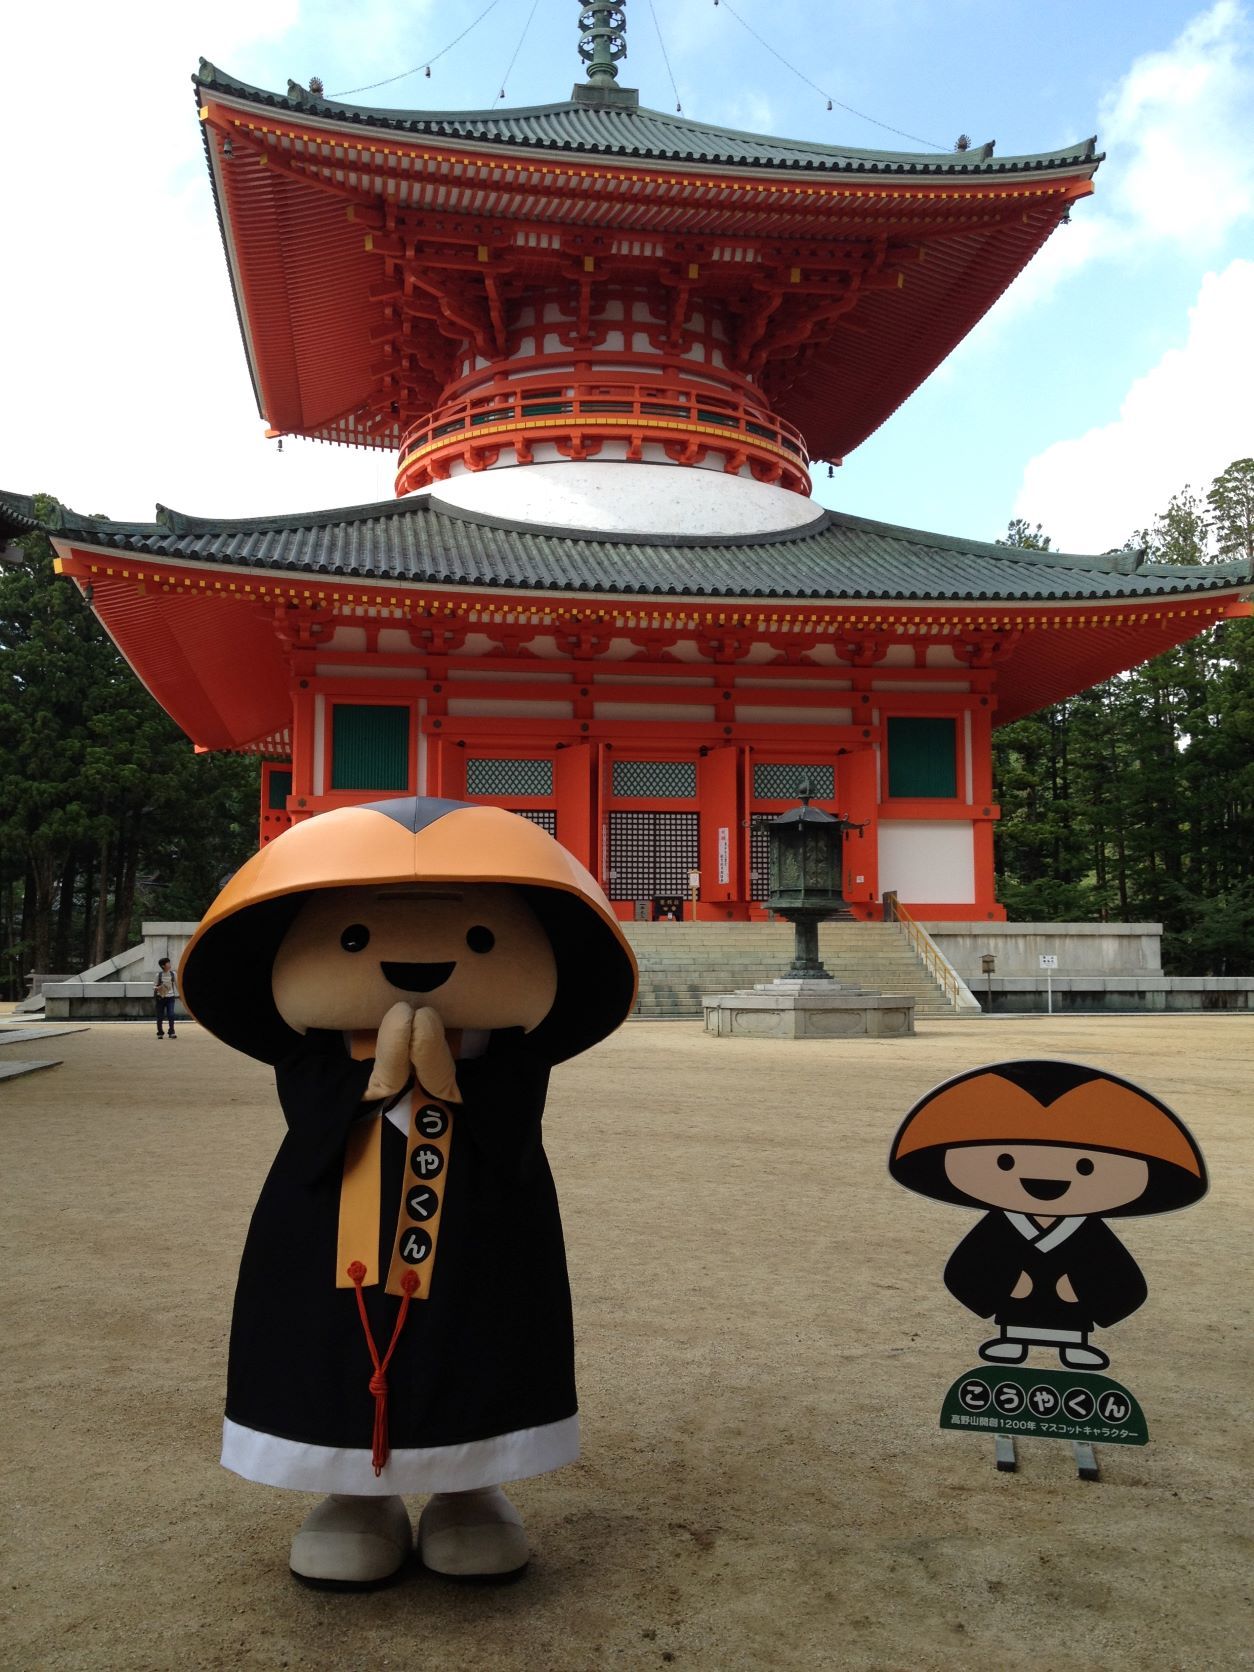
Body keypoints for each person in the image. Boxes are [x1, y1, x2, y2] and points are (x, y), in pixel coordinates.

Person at [153, 957, 179, 1040]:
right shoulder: (158, 975)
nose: (170, 965)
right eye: (168, 963)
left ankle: (171, 1032)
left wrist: (181, 995)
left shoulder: (173, 974)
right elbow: (154, 986)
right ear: (163, 966)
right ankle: (160, 1033)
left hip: (170, 997)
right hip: (160, 998)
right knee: (160, 1016)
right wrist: (158, 988)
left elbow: (177, 985)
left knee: (171, 1015)